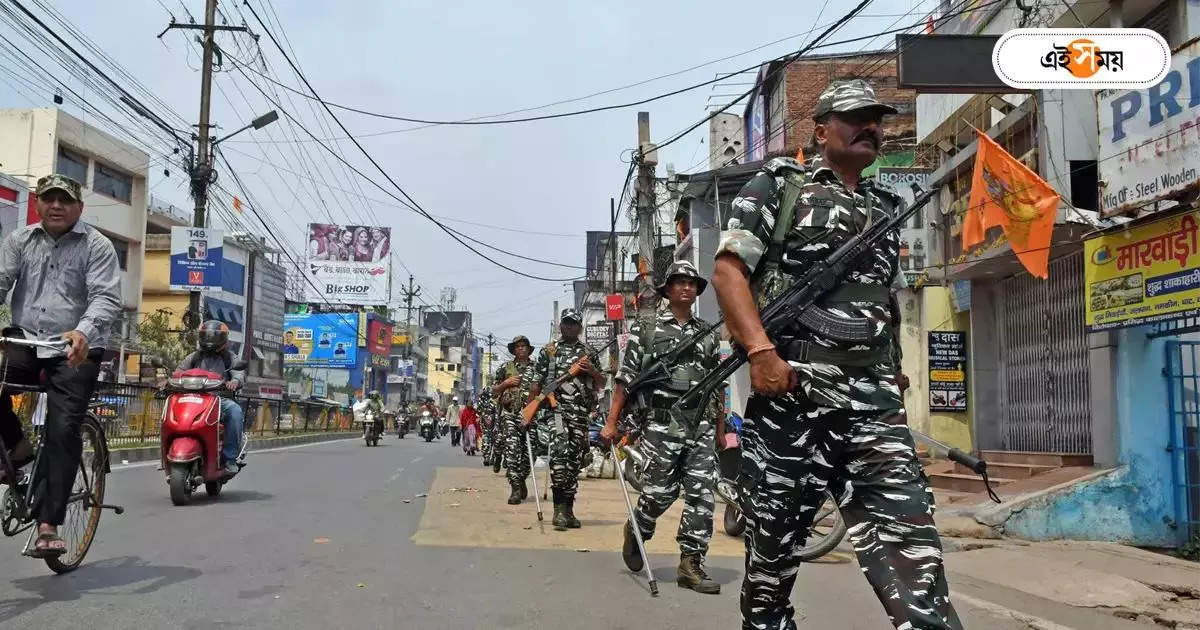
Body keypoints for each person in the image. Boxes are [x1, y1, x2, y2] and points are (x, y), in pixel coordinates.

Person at [712, 79, 961, 630]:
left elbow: (884, 304)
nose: (869, 127)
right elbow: (729, 271)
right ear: (822, 131)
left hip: (870, 404)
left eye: (875, 118)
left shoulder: (886, 206)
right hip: (793, 393)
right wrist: (760, 352)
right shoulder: (782, 186)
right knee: (773, 550)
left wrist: (891, 371)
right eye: (855, 117)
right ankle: (765, 619)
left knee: (910, 538)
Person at [0, 174, 121, 557]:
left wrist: (83, 331)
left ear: (79, 208)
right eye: (49, 199)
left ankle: (48, 524)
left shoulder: (97, 246)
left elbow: (105, 297)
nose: (56, 206)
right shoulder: (20, 240)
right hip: (27, 340)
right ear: (37, 203)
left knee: (62, 429)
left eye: (64, 201)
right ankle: (17, 446)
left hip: (76, 347)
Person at [601, 261, 723, 594]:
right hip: (661, 424)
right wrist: (611, 422)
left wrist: (721, 429)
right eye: (679, 282)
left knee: (702, 495)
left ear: (697, 291)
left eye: (692, 283)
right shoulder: (647, 329)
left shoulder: (709, 332)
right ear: (668, 290)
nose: (686, 287)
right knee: (659, 493)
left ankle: (691, 564)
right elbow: (625, 379)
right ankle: (638, 527)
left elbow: (718, 383)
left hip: (700, 424)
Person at [527, 308, 604, 531]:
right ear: (561, 326)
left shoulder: (589, 353)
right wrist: (529, 410)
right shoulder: (549, 352)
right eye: (566, 323)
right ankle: (559, 510)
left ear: (580, 327)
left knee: (575, 460)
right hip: (556, 412)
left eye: (574, 324)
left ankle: (569, 508)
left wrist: (590, 370)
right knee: (559, 456)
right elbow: (536, 382)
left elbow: (600, 384)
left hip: (580, 414)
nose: (570, 327)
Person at [177, 321, 247, 477]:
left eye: (214, 337)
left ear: (223, 339)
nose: (210, 340)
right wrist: (167, 381)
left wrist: (234, 382)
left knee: (235, 411)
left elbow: (238, 374)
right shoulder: (194, 356)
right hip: (193, 399)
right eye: (207, 336)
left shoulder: (230, 357)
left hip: (219, 400)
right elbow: (179, 372)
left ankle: (229, 459)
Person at [494, 335, 535, 504]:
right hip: (509, 414)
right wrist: (506, 383)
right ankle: (515, 488)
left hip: (531, 415)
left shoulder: (537, 367)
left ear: (528, 349)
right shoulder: (505, 368)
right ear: (513, 350)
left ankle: (521, 477)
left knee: (531, 452)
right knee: (512, 450)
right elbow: (494, 391)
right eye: (517, 346)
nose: (521, 349)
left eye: (524, 346)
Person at [477, 389, 501, 469]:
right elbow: (478, 414)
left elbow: (496, 415)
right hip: (487, 426)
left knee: (491, 442)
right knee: (488, 441)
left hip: (492, 426)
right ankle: (487, 458)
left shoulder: (492, 404)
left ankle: (490, 457)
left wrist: (496, 426)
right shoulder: (482, 404)